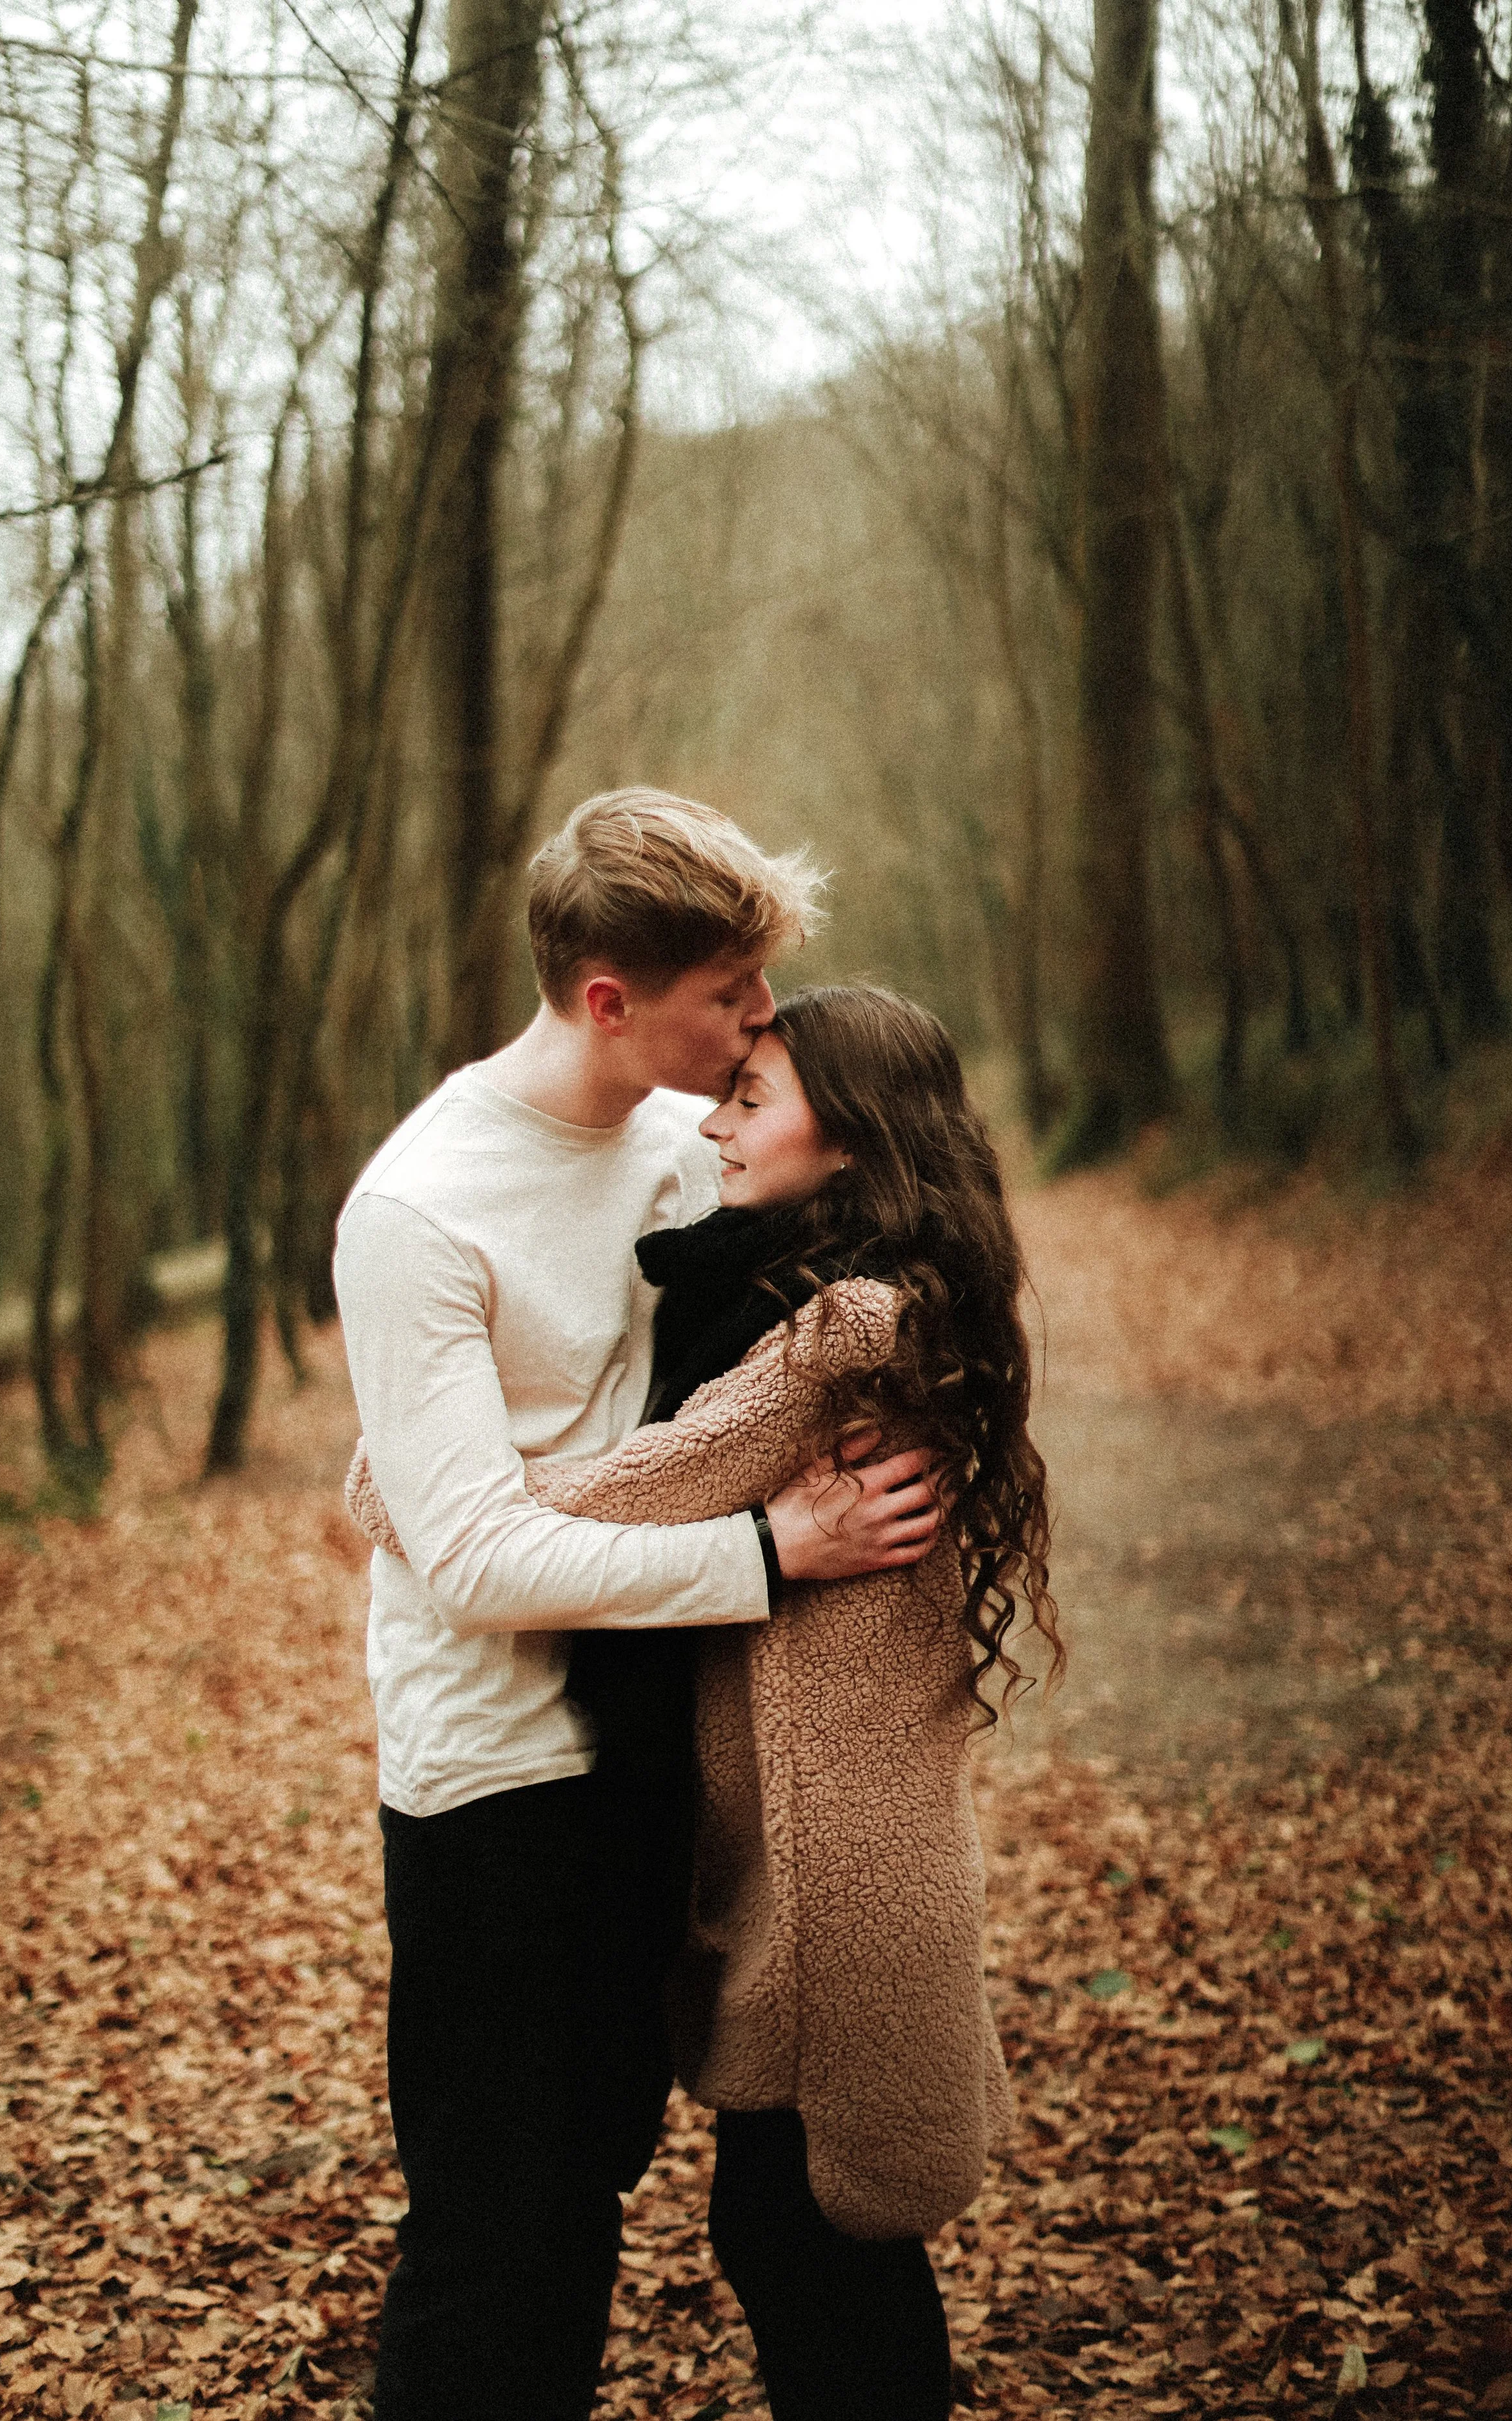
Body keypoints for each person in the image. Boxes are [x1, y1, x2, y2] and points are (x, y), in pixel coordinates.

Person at [349, 981, 1065, 2421]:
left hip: (831, 1879)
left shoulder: (840, 1334)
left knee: (811, 2241)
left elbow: (643, 1481)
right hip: (834, 1850)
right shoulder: (857, 1281)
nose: (715, 1118)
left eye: (753, 1097)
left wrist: (397, 1484)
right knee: (807, 2240)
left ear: (851, 1142)